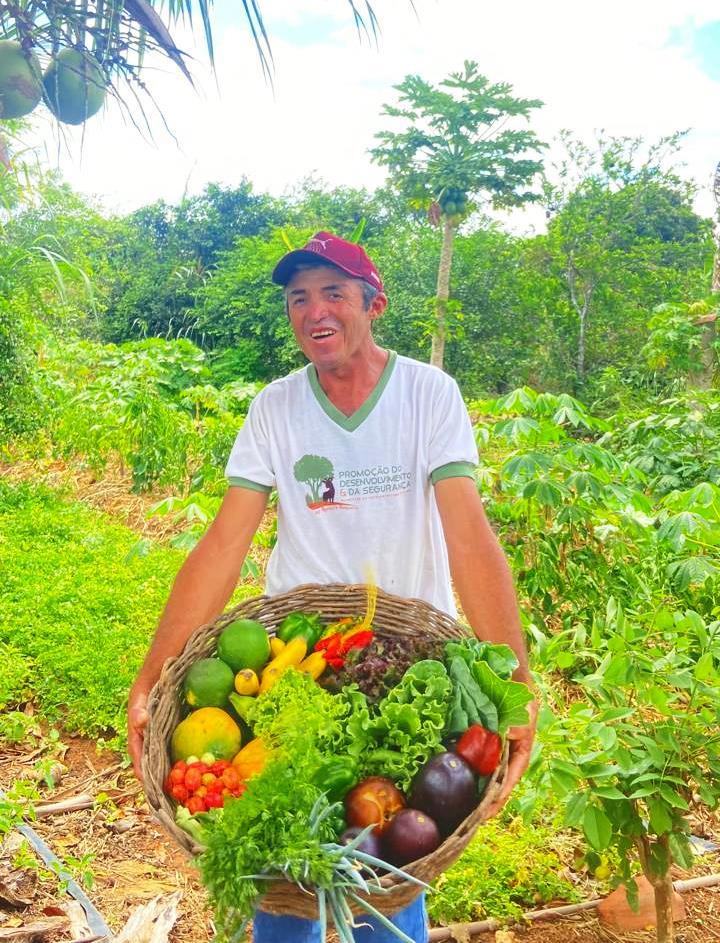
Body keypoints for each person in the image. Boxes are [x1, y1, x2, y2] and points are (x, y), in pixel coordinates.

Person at [128, 231, 536, 943]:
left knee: (392, 854)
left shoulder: (427, 395)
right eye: (298, 297)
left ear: (372, 303)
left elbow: (470, 537)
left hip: (410, 663)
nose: (314, 310)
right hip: (299, 666)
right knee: (282, 867)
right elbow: (225, 543)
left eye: (334, 293)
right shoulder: (275, 409)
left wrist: (520, 686)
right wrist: (151, 675)